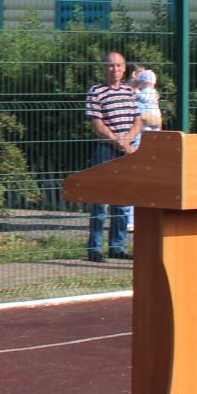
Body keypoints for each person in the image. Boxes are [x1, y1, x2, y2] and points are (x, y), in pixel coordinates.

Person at [84, 52, 140, 261]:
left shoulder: (129, 91)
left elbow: (138, 121)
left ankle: (117, 246)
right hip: (106, 150)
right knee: (100, 201)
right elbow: (97, 125)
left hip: (127, 150)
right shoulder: (95, 91)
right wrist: (117, 141)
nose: (115, 70)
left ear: (124, 69)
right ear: (104, 68)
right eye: (110, 66)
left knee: (124, 201)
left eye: (118, 66)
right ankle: (95, 248)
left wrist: (128, 141)